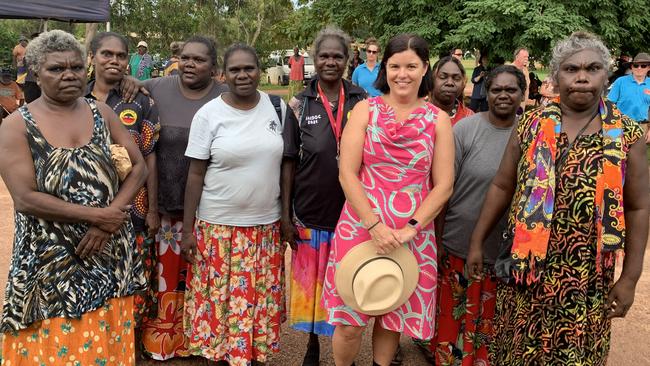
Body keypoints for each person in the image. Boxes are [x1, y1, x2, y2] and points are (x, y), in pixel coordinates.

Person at [466, 31, 649, 365]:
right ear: (556, 76)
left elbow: (637, 207)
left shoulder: (627, 135)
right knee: (517, 354)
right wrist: (477, 241)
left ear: (606, 75)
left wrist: (630, 278)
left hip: (586, 282)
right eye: (571, 69)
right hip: (526, 275)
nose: (581, 76)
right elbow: (502, 187)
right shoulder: (530, 125)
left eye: (592, 68)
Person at [0, 29, 148, 365]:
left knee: (106, 335)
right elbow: (25, 198)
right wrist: (97, 217)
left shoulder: (101, 113)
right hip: (50, 261)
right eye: (56, 69)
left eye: (76, 68)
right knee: (55, 343)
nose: (69, 74)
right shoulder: (16, 126)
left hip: (108, 252)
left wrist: (108, 219)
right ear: (35, 72)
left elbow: (138, 167)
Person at [322, 33, 454, 366]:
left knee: (392, 317)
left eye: (411, 66)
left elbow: (443, 185)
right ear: (385, 68)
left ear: (425, 68)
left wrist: (411, 228)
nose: (402, 74)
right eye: (395, 66)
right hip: (361, 225)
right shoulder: (365, 110)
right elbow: (347, 174)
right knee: (349, 323)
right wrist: (374, 224)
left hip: (412, 231)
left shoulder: (439, 120)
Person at [182, 43, 288, 365]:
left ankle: (251, 358)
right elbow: (195, 174)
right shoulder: (209, 114)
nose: (243, 75)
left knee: (256, 305)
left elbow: (286, 166)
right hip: (218, 230)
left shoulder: (277, 108)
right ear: (222, 74)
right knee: (219, 306)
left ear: (259, 70)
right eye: (235, 70)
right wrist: (188, 231)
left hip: (264, 230)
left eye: (249, 68)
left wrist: (285, 218)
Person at [136, 35, 228, 361]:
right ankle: (163, 341)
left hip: (208, 209)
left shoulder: (225, 96)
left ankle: (199, 340)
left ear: (214, 67)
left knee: (200, 276)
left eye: (199, 60)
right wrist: (131, 82)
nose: (190, 64)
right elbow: (124, 82)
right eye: (186, 58)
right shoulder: (157, 87)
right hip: (164, 204)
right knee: (165, 274)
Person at [427, 65, 526, 366]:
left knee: (490, 332)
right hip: (458, 243)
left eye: (511, 89)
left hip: (505, 253)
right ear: (487, 92)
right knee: (451, 326)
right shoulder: (465, 130)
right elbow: (443, 189)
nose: (504, 95)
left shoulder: (531, 131)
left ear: (523, 94)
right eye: (497, 89)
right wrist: (439, 239)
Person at [282, 27, 367, 366]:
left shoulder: (362, 101)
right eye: (324, 56)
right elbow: (288, 161)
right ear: (314, 59)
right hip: (309, 209)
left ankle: (344, 349)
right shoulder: (300, 103)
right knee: (313, 287)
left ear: (348, 60)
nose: (330, 61)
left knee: (349, 284)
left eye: (337, 56)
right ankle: (313, 345)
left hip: (352, 213)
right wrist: (286, 215)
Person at [87, 31, 162, 348]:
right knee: (90, 275)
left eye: (120, 55)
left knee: (134, 278)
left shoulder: (140, 100)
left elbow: (150, 156)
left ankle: (129, 344)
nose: (114, 60)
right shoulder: (71, 96)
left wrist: (154, 209)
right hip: (83, 209)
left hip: (134, 209)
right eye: (107, 54)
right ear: (92, 57)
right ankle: (94, 342)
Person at [608, 52, 650, 142]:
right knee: (616, 154)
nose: (639, 68)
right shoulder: (620, 81)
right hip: (620, 125)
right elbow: (608, 104)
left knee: (639, 155)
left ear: (648, 68)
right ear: (631, 67)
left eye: (643, 66)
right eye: (636, 65)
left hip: (642, 127)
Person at [430, 56, 474, 125]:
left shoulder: (470, 118)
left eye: (456, 78)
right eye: (443, 77)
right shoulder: (417, 114)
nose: (450, 83)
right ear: (432, 80)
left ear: (463, 83)